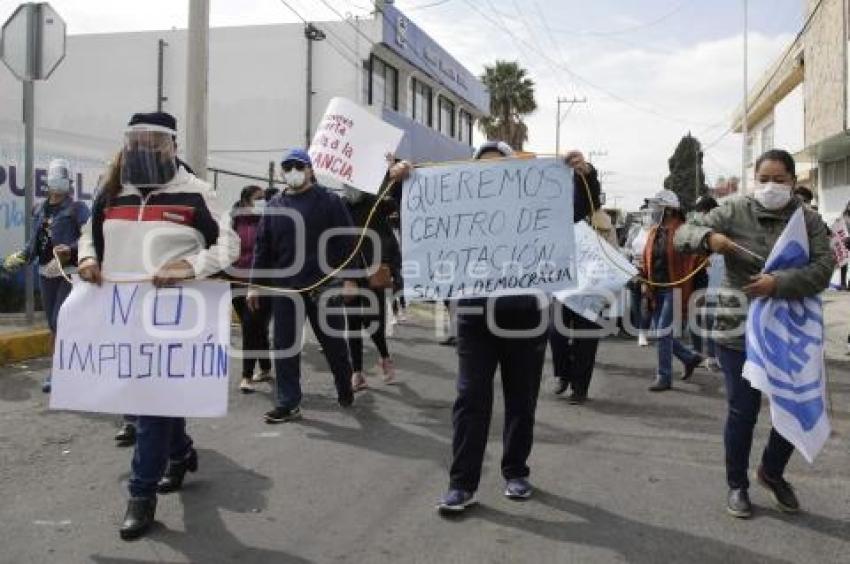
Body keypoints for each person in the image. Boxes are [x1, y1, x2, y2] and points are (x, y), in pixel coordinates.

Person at [76, 111, 240, 540]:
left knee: (150, 408)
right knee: (152, 403)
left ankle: (140, 495)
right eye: (137, 141)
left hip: (175, 322)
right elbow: (89, 235)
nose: (145, 149)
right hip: (122, 317)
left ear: (173, 147)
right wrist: (88, 259)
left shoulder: (196, 193)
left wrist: (190, 264)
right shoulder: (112, 192)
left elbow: (230, 244)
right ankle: (182, 453)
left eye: (155, 142)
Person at [675, 149, 834, 519]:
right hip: (738, 329)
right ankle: (737, 486)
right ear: (753, 179)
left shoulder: (807, 220)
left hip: (789, 331)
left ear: (794, 182)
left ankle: (772, 472)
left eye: (780, 179)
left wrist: (778, 283)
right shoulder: (734, 209)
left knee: (793, 406)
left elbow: (824, 267)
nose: (771, 186)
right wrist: (708, 238)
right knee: (742, 412)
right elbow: (685, 231)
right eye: (764, 178)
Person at [436, 141, 552, 513]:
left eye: (498, 168)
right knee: (470, 399)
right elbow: (421, 226)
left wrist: (585, 175)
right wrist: (401, 181)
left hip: (525, 318)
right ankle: (461, 484)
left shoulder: (534, 206)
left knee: (522, 399)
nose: (490, 175)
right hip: (474, 319)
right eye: (482, 169)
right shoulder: (458, 211)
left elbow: (575, 210)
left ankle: (516, 472)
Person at [248, 149, 360, 423]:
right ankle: (288, 402)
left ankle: (344, 385)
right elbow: (262, 248)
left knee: (333, 344)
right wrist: (254, 284)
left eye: (298, 166)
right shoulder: (274, 205)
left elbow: (347, 241)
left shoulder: (329, 201)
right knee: (284, 345)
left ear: (310, 170)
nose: (293, 171)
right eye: (287, 167)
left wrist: (350, 278)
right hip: (285, 289)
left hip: (324, 285)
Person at [4, 159, 91, 393]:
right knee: (54, 326)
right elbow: (35, 242)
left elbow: (89, 237)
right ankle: (61, 369)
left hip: (67, 273)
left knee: (58, 320)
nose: (58, 183)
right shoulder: (39, 209)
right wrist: (21, 257)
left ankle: (63, 372)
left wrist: (70, 250)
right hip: (45, 272)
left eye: (62, 178)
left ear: (69, 182)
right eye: (55, 178)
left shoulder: (77, 208)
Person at [550, 151, 603, 404]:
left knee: (586, 335)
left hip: (590, 277)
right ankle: (564, 374)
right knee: (555, 330)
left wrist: (587, 171)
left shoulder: (581, 197)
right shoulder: (545, 205)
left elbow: (591, 196)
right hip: (559, 277)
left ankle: (580, 388)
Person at [642, 189, 704, 392]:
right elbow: (647, 259)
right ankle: (690, 357)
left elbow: (698, 258)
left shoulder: (683, 231)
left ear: (669, 210)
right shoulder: (654, 231)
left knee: (662, 332)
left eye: (658, 206)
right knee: (662, 333)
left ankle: (664, 376)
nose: (654, 210)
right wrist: (643, 279)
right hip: (656, 289)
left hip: (674, 289)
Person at [343, 181, 400, 390]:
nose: (350, 187)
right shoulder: (340, 206)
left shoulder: (374, 204)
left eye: (353, 183)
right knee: (353, 323)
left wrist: (394, 268)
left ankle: (385, 358)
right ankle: (357, 373)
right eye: (346, 183)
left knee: (372, 321)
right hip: (349, 274)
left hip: (372, 273)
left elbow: (394, 207)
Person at [231, 185, 273, 393]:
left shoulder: (267, 221)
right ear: (245, 201)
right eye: (258, 198)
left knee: (250, 326)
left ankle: (246, 376)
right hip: (235, 281)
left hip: (260, 283)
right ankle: (265, 367)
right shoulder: (233, 220)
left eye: (264, 198)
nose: (262, 202)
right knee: (257, 328)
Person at [690, 195, 721, 371]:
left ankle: (712, 355)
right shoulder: (698, 229)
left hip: (713, 279)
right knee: (697, 317)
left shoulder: (720, 231)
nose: (698, 215)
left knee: (711, 318)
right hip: (698, 277)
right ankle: (697, 353)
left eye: (701, 211)